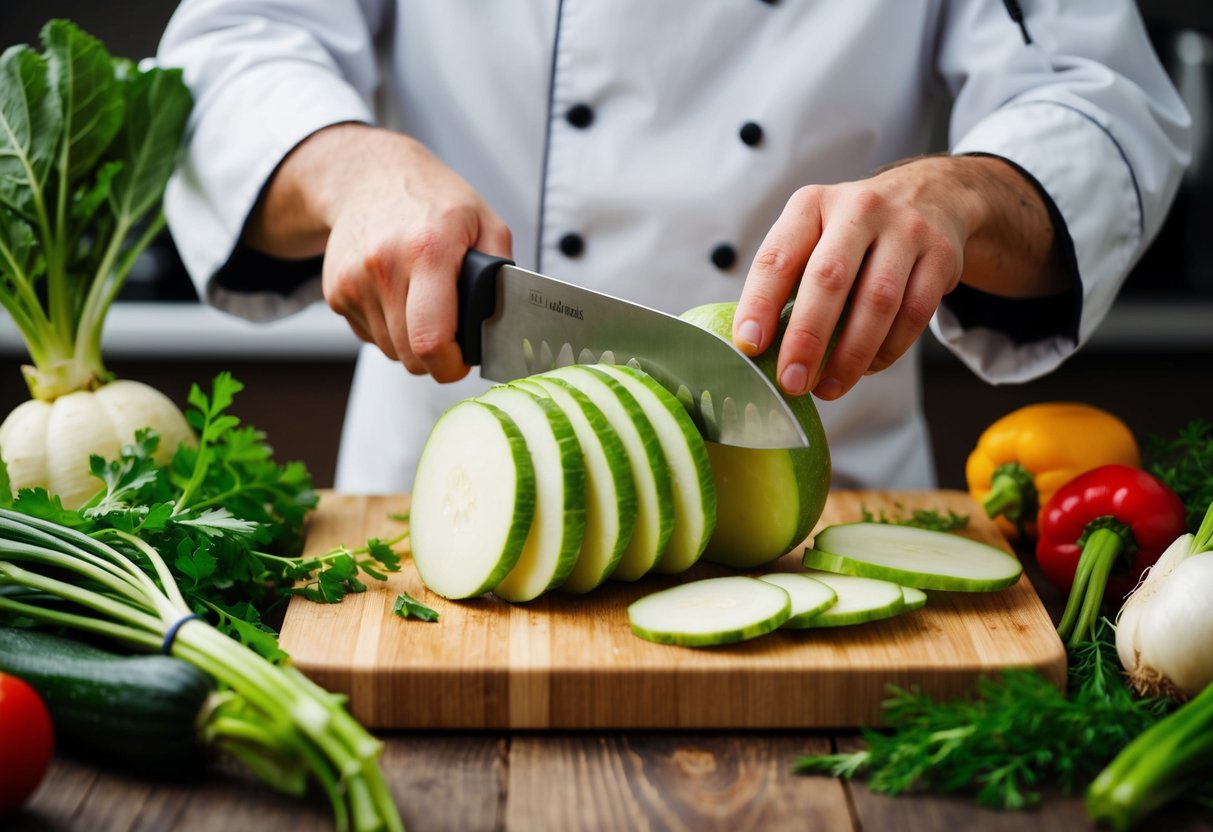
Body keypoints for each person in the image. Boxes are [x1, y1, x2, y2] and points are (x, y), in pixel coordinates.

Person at [157, 1, 1190, 493]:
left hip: (825, 504)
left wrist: (961, 195)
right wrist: (351, 170)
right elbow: (238, 45)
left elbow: (1100, 99)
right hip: (442, 481)